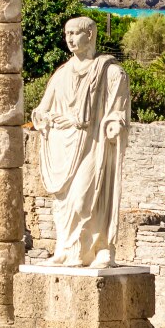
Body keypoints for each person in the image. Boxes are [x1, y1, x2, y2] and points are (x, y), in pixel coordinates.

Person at [33, 15, 130, 269]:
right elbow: (42, 108)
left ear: (91, 35)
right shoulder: (61, 74)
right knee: (64, 205)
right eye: (67, 34)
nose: (70, 39)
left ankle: (100, 248)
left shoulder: (111, 72)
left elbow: (117, 111)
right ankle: (66, 249)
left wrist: (113, 125)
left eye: (75, 33)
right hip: (63, 145)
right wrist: (42, 118)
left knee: (84, 199)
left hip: (94, 145)